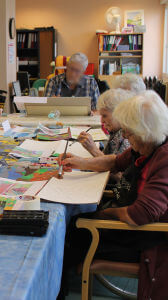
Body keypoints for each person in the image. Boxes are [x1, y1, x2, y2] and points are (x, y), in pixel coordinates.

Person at [59, 91, 168, 299]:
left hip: (143, 238)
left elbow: (139, 215)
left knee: (65, 240)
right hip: (127, 224)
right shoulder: (148, 144)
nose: (125, 136)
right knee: (71, 226)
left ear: (145, 131)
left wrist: (102, 216)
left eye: (129, 132)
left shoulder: (163, 160)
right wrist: (80, 163)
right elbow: (115, 161)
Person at [77, 89, 132, 157]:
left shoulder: (126, 139)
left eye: (105, 116)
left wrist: (93, 149)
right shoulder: (116, 132)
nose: (102, 121)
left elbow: (115, 166)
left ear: (120, 114)